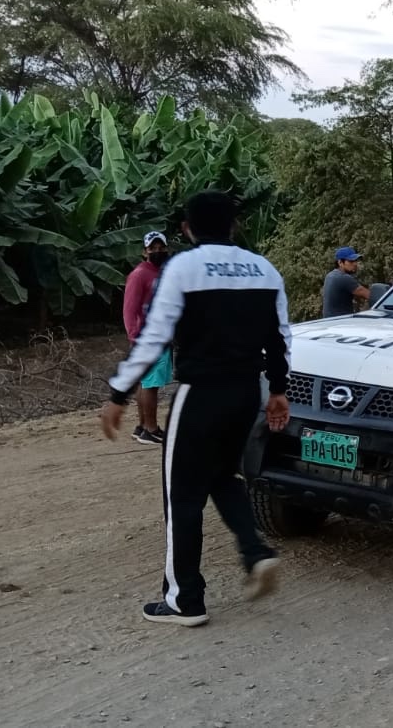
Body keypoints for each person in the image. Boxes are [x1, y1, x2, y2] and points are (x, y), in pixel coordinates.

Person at [99, 189, 294, 628]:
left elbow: (154, 335)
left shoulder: (183, 268)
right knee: (223, 476)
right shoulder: (263, 269)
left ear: (187, 229)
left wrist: (118, 393)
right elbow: (280, 337)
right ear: (234, 225)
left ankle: (184, 599)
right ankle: (256, 552)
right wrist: (279, 390)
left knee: (182, 495)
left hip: (200, 394)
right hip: (245, 392)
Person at [122, 230, 173, 445]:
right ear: (145, 252)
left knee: (145, 382)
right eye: (153, 248)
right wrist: (135, 336)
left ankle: (143, 426)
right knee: (151, 383)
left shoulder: (162, 272)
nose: (158, 251)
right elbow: (129, 309)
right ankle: (151, 429)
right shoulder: (140, 274)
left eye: (161, 247)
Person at [322, 246, 370, 318]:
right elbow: (369, 295)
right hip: (341, 322)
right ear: (340, 262)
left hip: (330, 321)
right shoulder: (343, 277)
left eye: (355, 261)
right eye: (351, 261)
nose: (355, 264)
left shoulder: (330, 275)